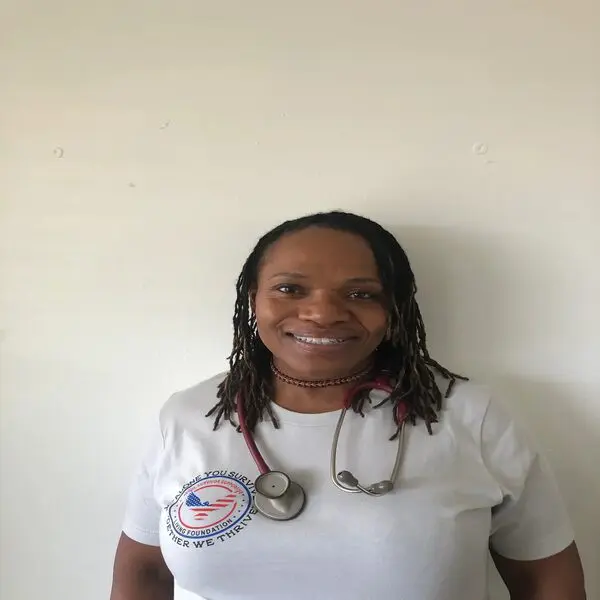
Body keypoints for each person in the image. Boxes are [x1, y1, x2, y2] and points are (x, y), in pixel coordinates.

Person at [110, 211, 586, 600]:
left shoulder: (470, 417)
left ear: (394, 309)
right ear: (252, 299)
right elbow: (145, 572)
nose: (322, 313)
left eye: (361, 294)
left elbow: (545, 578)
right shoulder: (188, 418)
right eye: (290, 289)